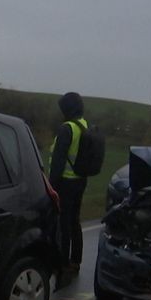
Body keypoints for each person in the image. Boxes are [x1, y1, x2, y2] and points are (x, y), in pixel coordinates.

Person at [47, 91, 91, 275]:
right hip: (81, 181)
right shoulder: (84, 125)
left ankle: (63, 261)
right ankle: (76, 260)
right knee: (75, 221)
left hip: (65, 182)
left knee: (63, 222)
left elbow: (58, 162)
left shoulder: (67, 129)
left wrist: (51, 187)